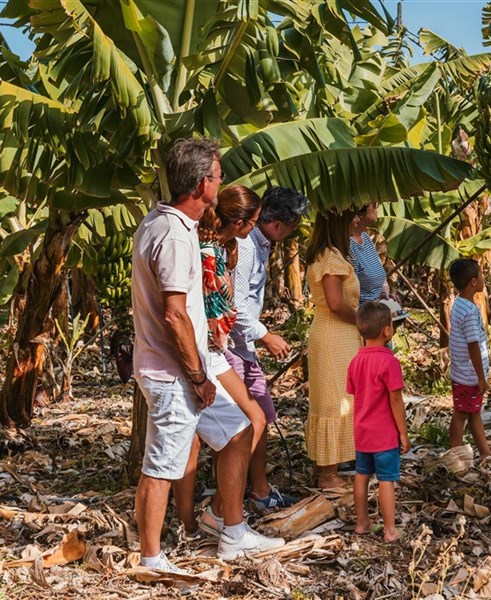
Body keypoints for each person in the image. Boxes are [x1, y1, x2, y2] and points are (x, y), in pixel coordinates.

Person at [131, 138, 283, 570]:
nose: (221, 182)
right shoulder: (176, 236)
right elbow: (175, 313)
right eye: (217, 176)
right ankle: (151, 557)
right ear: (202, 184)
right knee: (161, 464)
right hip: (175, 369)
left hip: (195, 361)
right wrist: (197, 376)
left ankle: (232, 531)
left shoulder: (166, 225)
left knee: (238, 432)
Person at [172, 185, 270, 538]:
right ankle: (189, 524)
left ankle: (219, 512)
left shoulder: (226, 248)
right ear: (240, 221)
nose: (255, 228)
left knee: (255, 418)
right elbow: (211, 309)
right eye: (253, 221)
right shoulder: (204, 250)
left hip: (216, 351)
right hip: (201, 351)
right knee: (191, 441)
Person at [227, 186, 310, 511]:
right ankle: (231, 501)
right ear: (279, 225)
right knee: (251, 420)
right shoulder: (246, 247)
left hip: (243, 348)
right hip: (234, 347)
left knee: (262, 416)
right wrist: (266, 335)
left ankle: (259, 490)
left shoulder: (260, 245)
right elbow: (234, 304)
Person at [305, 209, 362, 489]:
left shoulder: (329, 254)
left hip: (335, 334)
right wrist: (364, 319)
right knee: (334, 401)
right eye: (351, 217)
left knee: (334, 398)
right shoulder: (330, 257)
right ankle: (328, 474)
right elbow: (336, 302)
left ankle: (325, 466)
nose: (355, 221)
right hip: (334, 334)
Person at [347, 301, 409, 543]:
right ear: (387, 331)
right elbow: (395, 401)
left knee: (361, 475)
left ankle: (362, 522)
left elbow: (354, 391)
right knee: (386, 480)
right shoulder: (389, 362)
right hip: (384, 435)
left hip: (362, 432)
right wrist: (402, 433)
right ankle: (390, 530)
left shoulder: (355, 361)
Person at [447, 258, 491, 460]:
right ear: (473, 282)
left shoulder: (458, 304)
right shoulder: (471, 312)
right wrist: (481, 378)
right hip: (469, 375)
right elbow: (473, 345)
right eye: (481, 276)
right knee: (461, 414)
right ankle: (455, 454)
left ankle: (485, 451)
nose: (484, 279)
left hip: (461, 372)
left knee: (473, 412)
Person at [350, 202, 389, 306]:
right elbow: (349, 293)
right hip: (361, 315)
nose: (377, 207)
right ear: (360, 213)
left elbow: (381, 276)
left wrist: (385, 295)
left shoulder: (366, 238)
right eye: (374, 205)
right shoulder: (348, 247)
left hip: (375, 310)